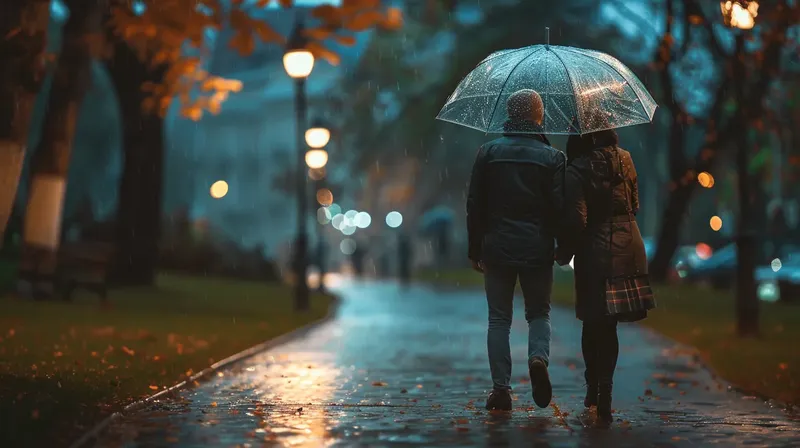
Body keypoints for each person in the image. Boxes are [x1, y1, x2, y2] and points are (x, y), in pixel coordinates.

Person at [467, 89, 566, 411]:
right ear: (538, 117)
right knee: (539, 313)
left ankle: (501, 390)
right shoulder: (552, 158)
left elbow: (475, 206)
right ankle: (538, 358)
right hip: (537, 247)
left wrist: (475, 247)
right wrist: (561, 245)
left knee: (499, 319)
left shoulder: (489, 152)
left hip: (496, 246)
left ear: (510, 114)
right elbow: (559, 208)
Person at [556, 116, 655, 424]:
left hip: (594, 250)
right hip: (628, 244)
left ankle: (592, 388)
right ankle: (606, 394)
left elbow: (578, 220)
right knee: (609, 326)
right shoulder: (625, 159)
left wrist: (563, 253)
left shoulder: (576, 169)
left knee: (591, 320)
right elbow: (634, 204)